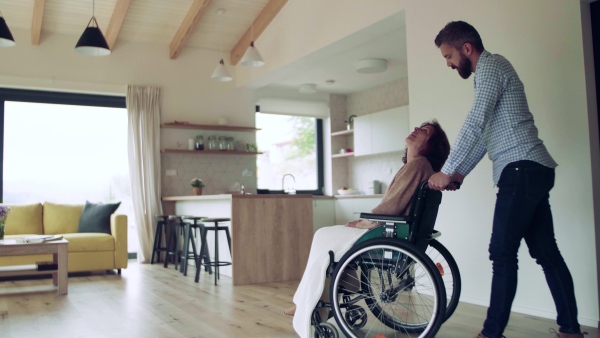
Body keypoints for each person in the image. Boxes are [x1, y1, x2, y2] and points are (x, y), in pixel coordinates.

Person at [428, 21, 583, 338]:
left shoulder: (491, 67)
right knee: (546, 253)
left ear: (466, 48)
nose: (448, 64)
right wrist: (458, 174)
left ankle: (491, 333)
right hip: (533, 169)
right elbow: (485, 137)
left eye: (448, 56)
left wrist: (447, 169)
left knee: (502, 252)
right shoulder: (489, 74)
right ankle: (570, 329)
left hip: (521, 169)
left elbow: (475, 120)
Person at [286, 120, 451, 338]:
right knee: (330, 242)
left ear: (431, 144)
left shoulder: (417, 165)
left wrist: (366, 221)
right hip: (397, 231)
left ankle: (307, 303)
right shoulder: (420, 166)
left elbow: (392, 206)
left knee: (323, 235)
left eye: (425, 131)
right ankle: (315, 299)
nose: (417, 129)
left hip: (388, 231)